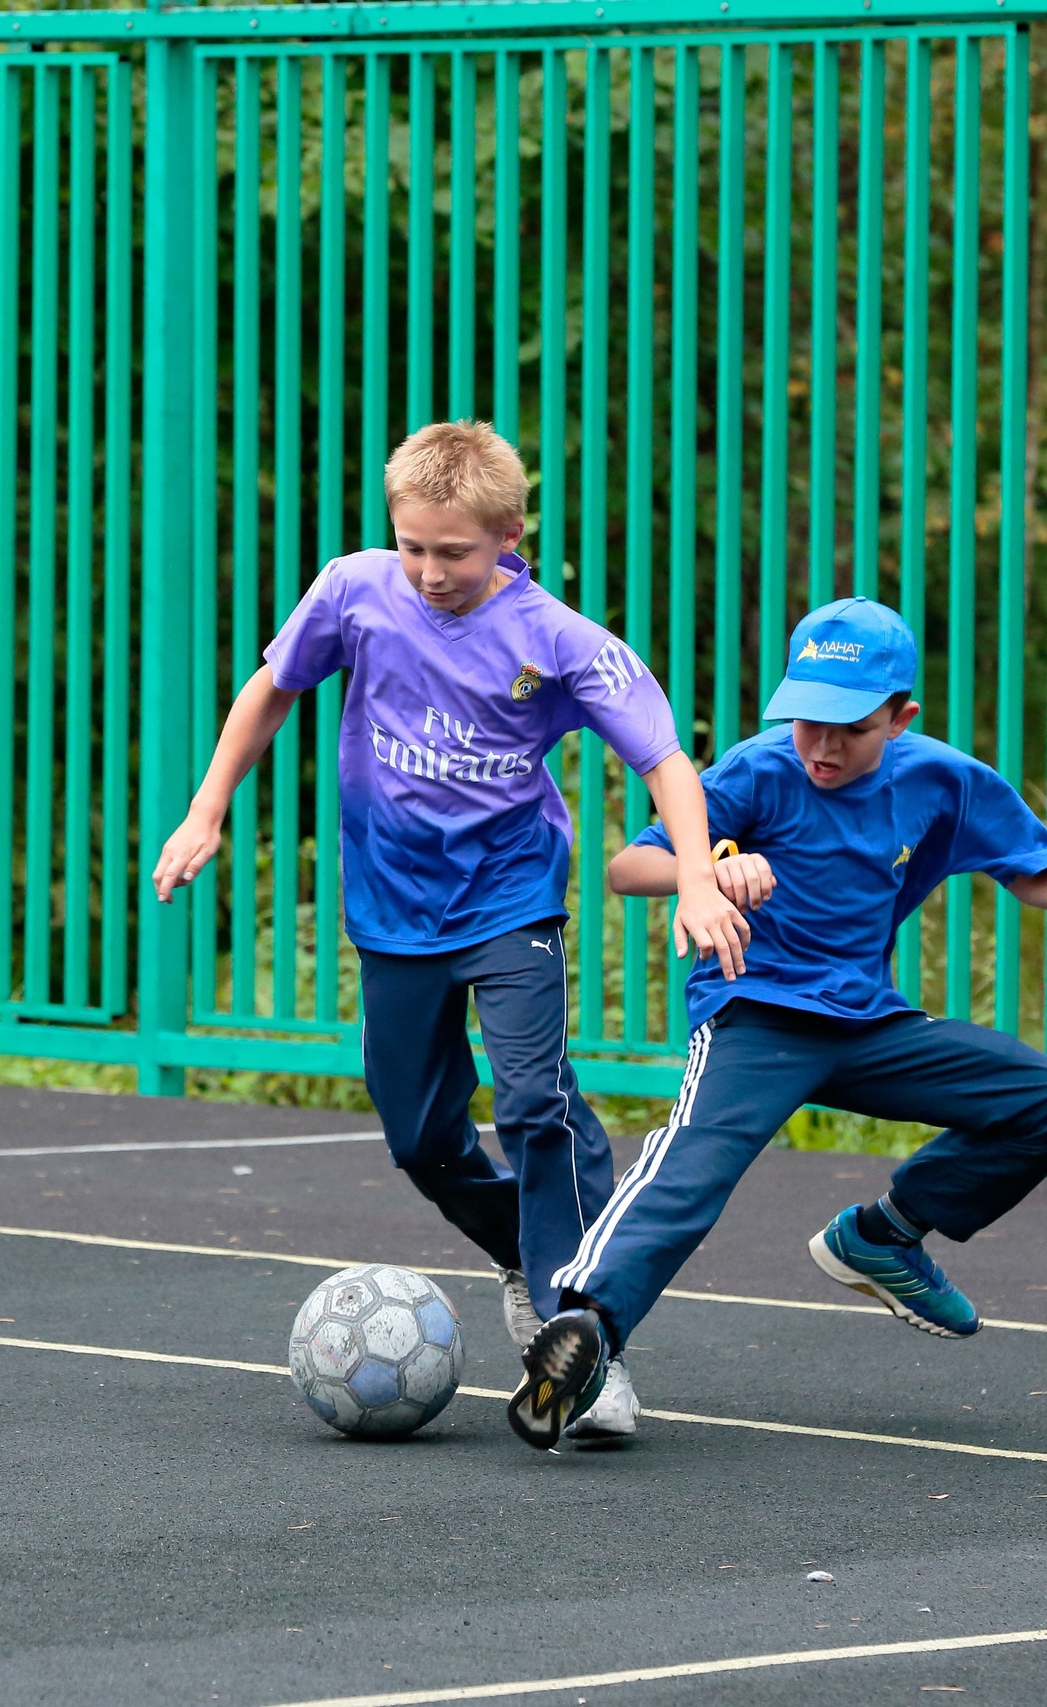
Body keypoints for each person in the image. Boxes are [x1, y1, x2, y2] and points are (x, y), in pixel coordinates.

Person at [507, 598, 1047, 1450]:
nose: (822, 744)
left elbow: (1032, 870)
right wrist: (716, 865)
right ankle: (584, 1331)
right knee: (691, 1168)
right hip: (757, 1013)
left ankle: (884, 1233)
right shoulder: (760, 769)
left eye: (849, 726)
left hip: (868, 1021)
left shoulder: (939, 779)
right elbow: (632, 865)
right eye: (807, 719)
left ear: (899, 717)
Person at [151, 421, 749, 1442]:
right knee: (419, 1136)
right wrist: (206, 808)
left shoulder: (558, 640)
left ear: (508, 535)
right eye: (414, 547)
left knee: (530, 1097)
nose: (430, 572)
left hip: (510, 898)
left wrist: (697, 874)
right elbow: (272, 689)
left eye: (455, 553)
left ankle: (578, 1332)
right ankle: (523, 1248)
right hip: (392, 908)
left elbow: (665, 763)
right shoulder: (353, 589)